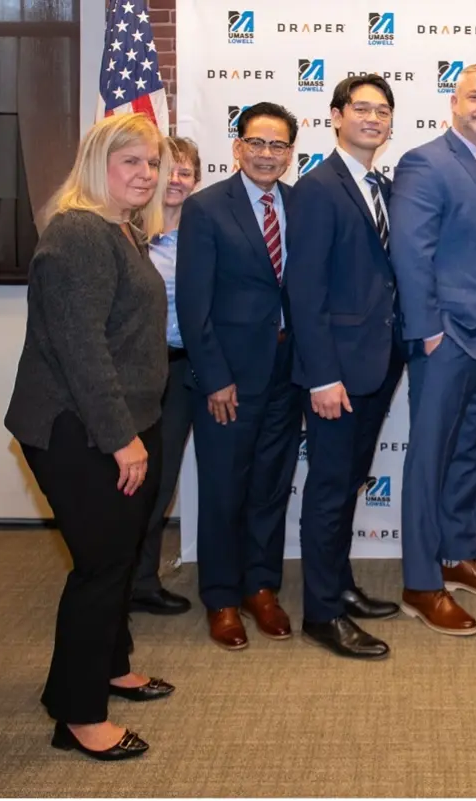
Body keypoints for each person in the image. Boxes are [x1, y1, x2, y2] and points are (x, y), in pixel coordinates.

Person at [5, 112, 175, 760]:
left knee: (121, 556)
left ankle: (109, 665)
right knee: (101, 567)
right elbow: (82, 352)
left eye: (152, 163)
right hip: (83, 429)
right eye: (130, 161)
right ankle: (78, 714)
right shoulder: (79, 233)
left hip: (122, 422)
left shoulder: (120, 232)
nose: (146, 173)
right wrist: (121, 438)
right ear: (97, 164)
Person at [389, 63, 476, 635]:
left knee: (472, 453)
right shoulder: (425, 162)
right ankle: (422, 582)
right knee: (429, 459)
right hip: (446, 340)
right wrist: (429, 329)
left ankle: (457, 555)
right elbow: (410, 253)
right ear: (454, 101)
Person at [286, 74, 404, 659]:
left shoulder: (379, 182)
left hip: (376, 367)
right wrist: (323, 376)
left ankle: (340, 585)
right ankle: (321, 613)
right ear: (335, 116)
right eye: (361, 108)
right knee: (330, 491)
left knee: (349, 483)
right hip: (336, 375)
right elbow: (303, 293)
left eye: (382, 110)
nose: (373, 118)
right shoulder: (317, 188)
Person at [176, 103, 301, 651]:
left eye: (278, 146)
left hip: (288, 371)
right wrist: (214, 376)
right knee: (224, 488)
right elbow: (193, 303)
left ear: (290, 153)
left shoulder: (301, 205)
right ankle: (223, 597)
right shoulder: (206, 209)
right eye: (257, 143)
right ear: (238, 146)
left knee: (270, 485)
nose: (267, 154)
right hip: (228, 378)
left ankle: (261, 586)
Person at [129, 136, 201, 618]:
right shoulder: (127, 233)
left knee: (161, 479)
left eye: (186, 172)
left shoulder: (205, 232)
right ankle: (114, 577)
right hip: (133, 374)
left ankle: (142, 581)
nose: (174, 180)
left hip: (181, 371)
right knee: (125, 479)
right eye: (167, 169)